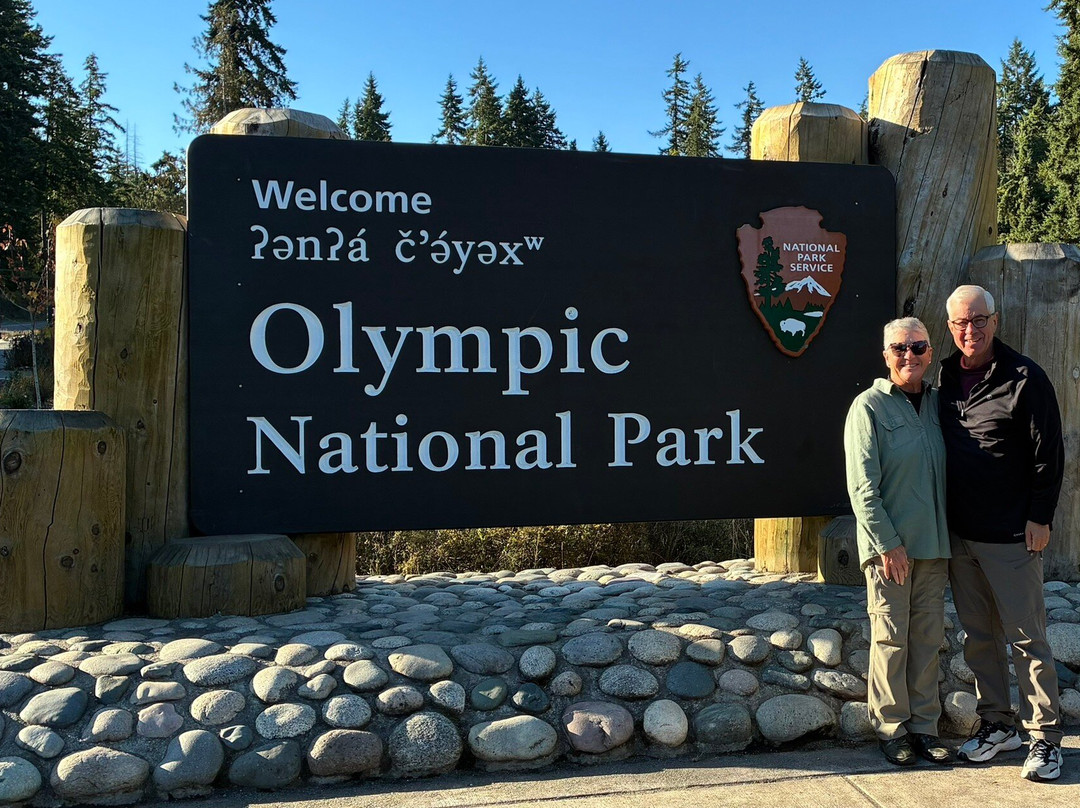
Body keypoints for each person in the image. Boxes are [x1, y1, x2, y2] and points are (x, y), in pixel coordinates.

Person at [938, 284, 1065, 782]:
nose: (970, 330)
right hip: (960, 535)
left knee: (1026, 638)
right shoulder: (944, 375)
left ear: (995, 320)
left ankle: (1045, 739)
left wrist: (1040, 518)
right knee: (979, 637)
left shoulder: (1025, 377)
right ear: (950, 328)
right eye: (960, 323)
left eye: (979, 320)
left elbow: (1047, 454)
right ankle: (997, 724)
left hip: (1013, 535)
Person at [844, 317, 952, 767]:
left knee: (927, 639)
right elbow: (862, 486)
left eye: (918, 347)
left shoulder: (938, 405)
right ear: (886, 355)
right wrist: (887, 543)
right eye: (899, 348)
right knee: (891, 639)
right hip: (891, 549)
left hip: (934, 545)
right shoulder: (867, 407)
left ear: (930, 352)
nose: (909, 355)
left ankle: (925, 726)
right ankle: (892, 728)